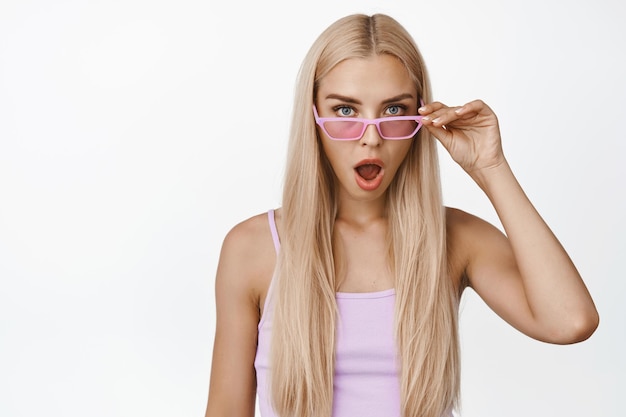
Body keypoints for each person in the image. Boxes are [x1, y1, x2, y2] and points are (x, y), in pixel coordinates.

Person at [204, 13, 599, 417]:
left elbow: (569, 321)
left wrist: (491, 168)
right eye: (345, 111)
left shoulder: (455, 238)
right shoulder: (251, 249)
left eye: (393, 110)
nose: (371, 137)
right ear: (313, 116)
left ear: (421, 117)